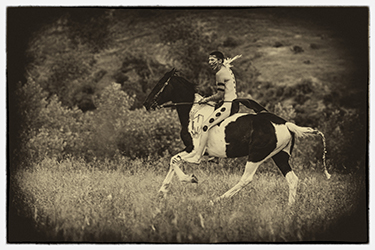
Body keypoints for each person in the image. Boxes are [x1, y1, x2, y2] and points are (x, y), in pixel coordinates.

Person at [183, 51, 241, 164]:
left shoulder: (219, 74)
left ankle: (197, 157)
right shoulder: (226, 69)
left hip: (227, 105)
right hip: (232, 102)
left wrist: (206, 99)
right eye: (209, 60)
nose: (210, 62)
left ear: (219, 60)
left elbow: (219, 95)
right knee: (213, 124)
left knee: (205, 126)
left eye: (212, 60)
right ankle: (214, 156)